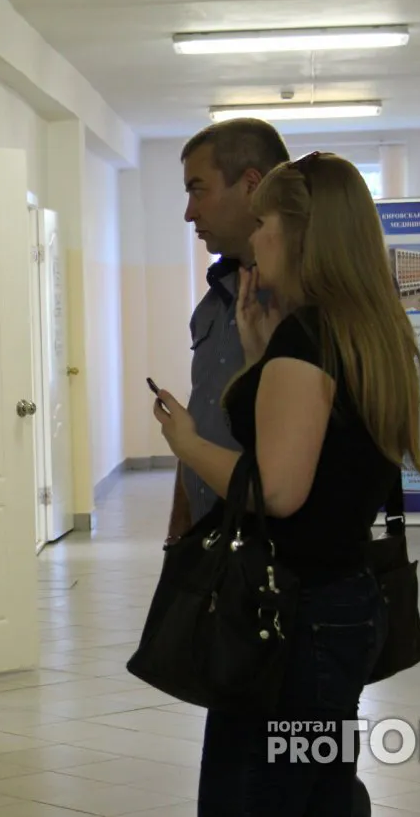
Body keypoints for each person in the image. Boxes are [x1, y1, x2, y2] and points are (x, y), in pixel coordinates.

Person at [152, 152, 420, 815]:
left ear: (302, 233)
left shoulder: (306, 340)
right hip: (342, 595)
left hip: (292, 618)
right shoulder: (365, 330)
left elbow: (277, 491)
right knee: (322, 788)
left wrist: (188, 444)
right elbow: (324, 455)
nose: (254, 239)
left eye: (264, 223)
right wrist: (259, 356)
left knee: (254, 791)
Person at [168, 118, 290, 547]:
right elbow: (200, 415)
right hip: (210, 545)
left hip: (276, 551)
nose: (189, 212)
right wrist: (179, 532)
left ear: (251, 184)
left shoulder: (301, 304)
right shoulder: (214, 302)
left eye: (198, 190)